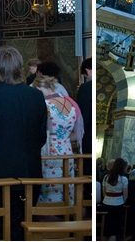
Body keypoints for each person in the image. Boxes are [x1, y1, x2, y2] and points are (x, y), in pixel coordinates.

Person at [0, 47, 48, 240]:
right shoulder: (36, 96)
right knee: (25, 221)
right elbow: (42, 136)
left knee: (3, 223)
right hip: (29, 169)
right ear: (19, 67)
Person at [32, 74, 82, 203]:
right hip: (66, 150)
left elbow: (38, 131)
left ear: (38, 89)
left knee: (49, 185)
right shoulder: (71, 103)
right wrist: (63, 139)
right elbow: (78, 134)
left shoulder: (45, 104)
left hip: (49, 150)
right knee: (65, 183)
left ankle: (47, 214)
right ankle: (67, 211)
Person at [102, 158, 129, 240]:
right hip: (118, 204)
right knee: (114, 230)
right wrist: (121, 202)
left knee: (105, 229)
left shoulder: (106, 177)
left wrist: (108, 198)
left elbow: (104, 192)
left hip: (106, 202)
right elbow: (125, 195)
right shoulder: (123, 179)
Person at [76, 58, 92, 156]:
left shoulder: (86, 88)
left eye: (85, 76)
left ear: (88, 71)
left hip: (88, 135)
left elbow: (82, 114)